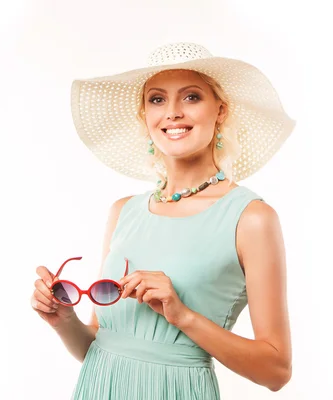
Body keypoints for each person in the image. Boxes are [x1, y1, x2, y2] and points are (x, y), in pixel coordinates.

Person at [30, 42, 296, 399]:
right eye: (157, 99)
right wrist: (64, 322)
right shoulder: (123, 212)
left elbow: (276, 371)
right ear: (145, 116)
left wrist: (183, 316)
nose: (172, 112)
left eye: (191, 97)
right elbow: (102, 347)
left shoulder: (251, 218)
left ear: (220, 110)